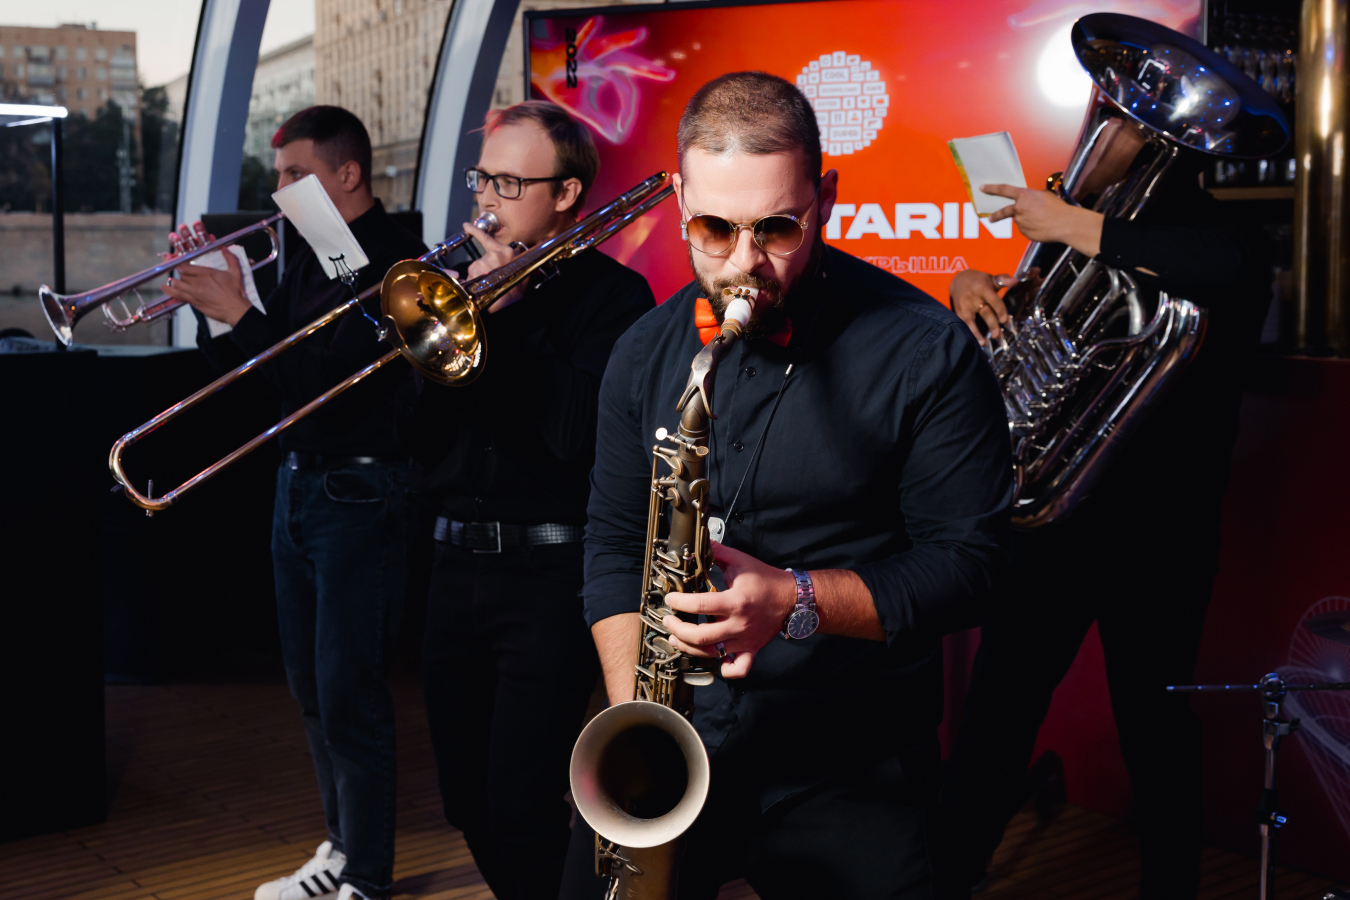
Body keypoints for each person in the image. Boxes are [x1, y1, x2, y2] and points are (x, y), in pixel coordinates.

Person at [559, 71, 1013, 900]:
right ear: (679, 200)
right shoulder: (642, 352)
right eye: (713, 228)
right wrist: (644, 729)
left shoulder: (926, 352)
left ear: (825, 199)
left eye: (775, 228)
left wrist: (797, 600)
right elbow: (615, 543)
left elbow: (972, 566)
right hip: (682, 735)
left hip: (850, 758)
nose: (744, 264)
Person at [937, 158, 1272, 900]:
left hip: (1164, 534)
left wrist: (1079, 226)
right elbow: (1029, 330)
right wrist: (970, 285)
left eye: (1121, 121)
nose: (1103, 129)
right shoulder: (1079, 234)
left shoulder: (1220, 233)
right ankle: (951, 875)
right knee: (999, 709)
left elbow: (1230, 267)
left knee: (1155, 726)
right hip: (1054, 520)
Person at [162, 106, 427, 900]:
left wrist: (242, 312)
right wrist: (223, 306)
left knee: (349, 695)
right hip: (300, 484)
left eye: (293, 174)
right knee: (311, 689)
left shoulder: (394, 262)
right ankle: (341, 850)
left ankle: (367, 877)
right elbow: (270, 377)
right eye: (276, 175)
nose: (277, 191)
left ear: (347, 173)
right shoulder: (311, 247)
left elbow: (327, 390)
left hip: (361, 490)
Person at [411, 100, 655, 900]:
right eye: (483, 178)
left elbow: (578, 437)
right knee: (465, 800)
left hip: (550, 576)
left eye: (510, 182)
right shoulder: (451, 289)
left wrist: (508, 322)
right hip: (452, 567)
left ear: (566, 194)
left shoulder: (615, 299)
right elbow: (416, 436)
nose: (487, 198)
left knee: (522, 805)